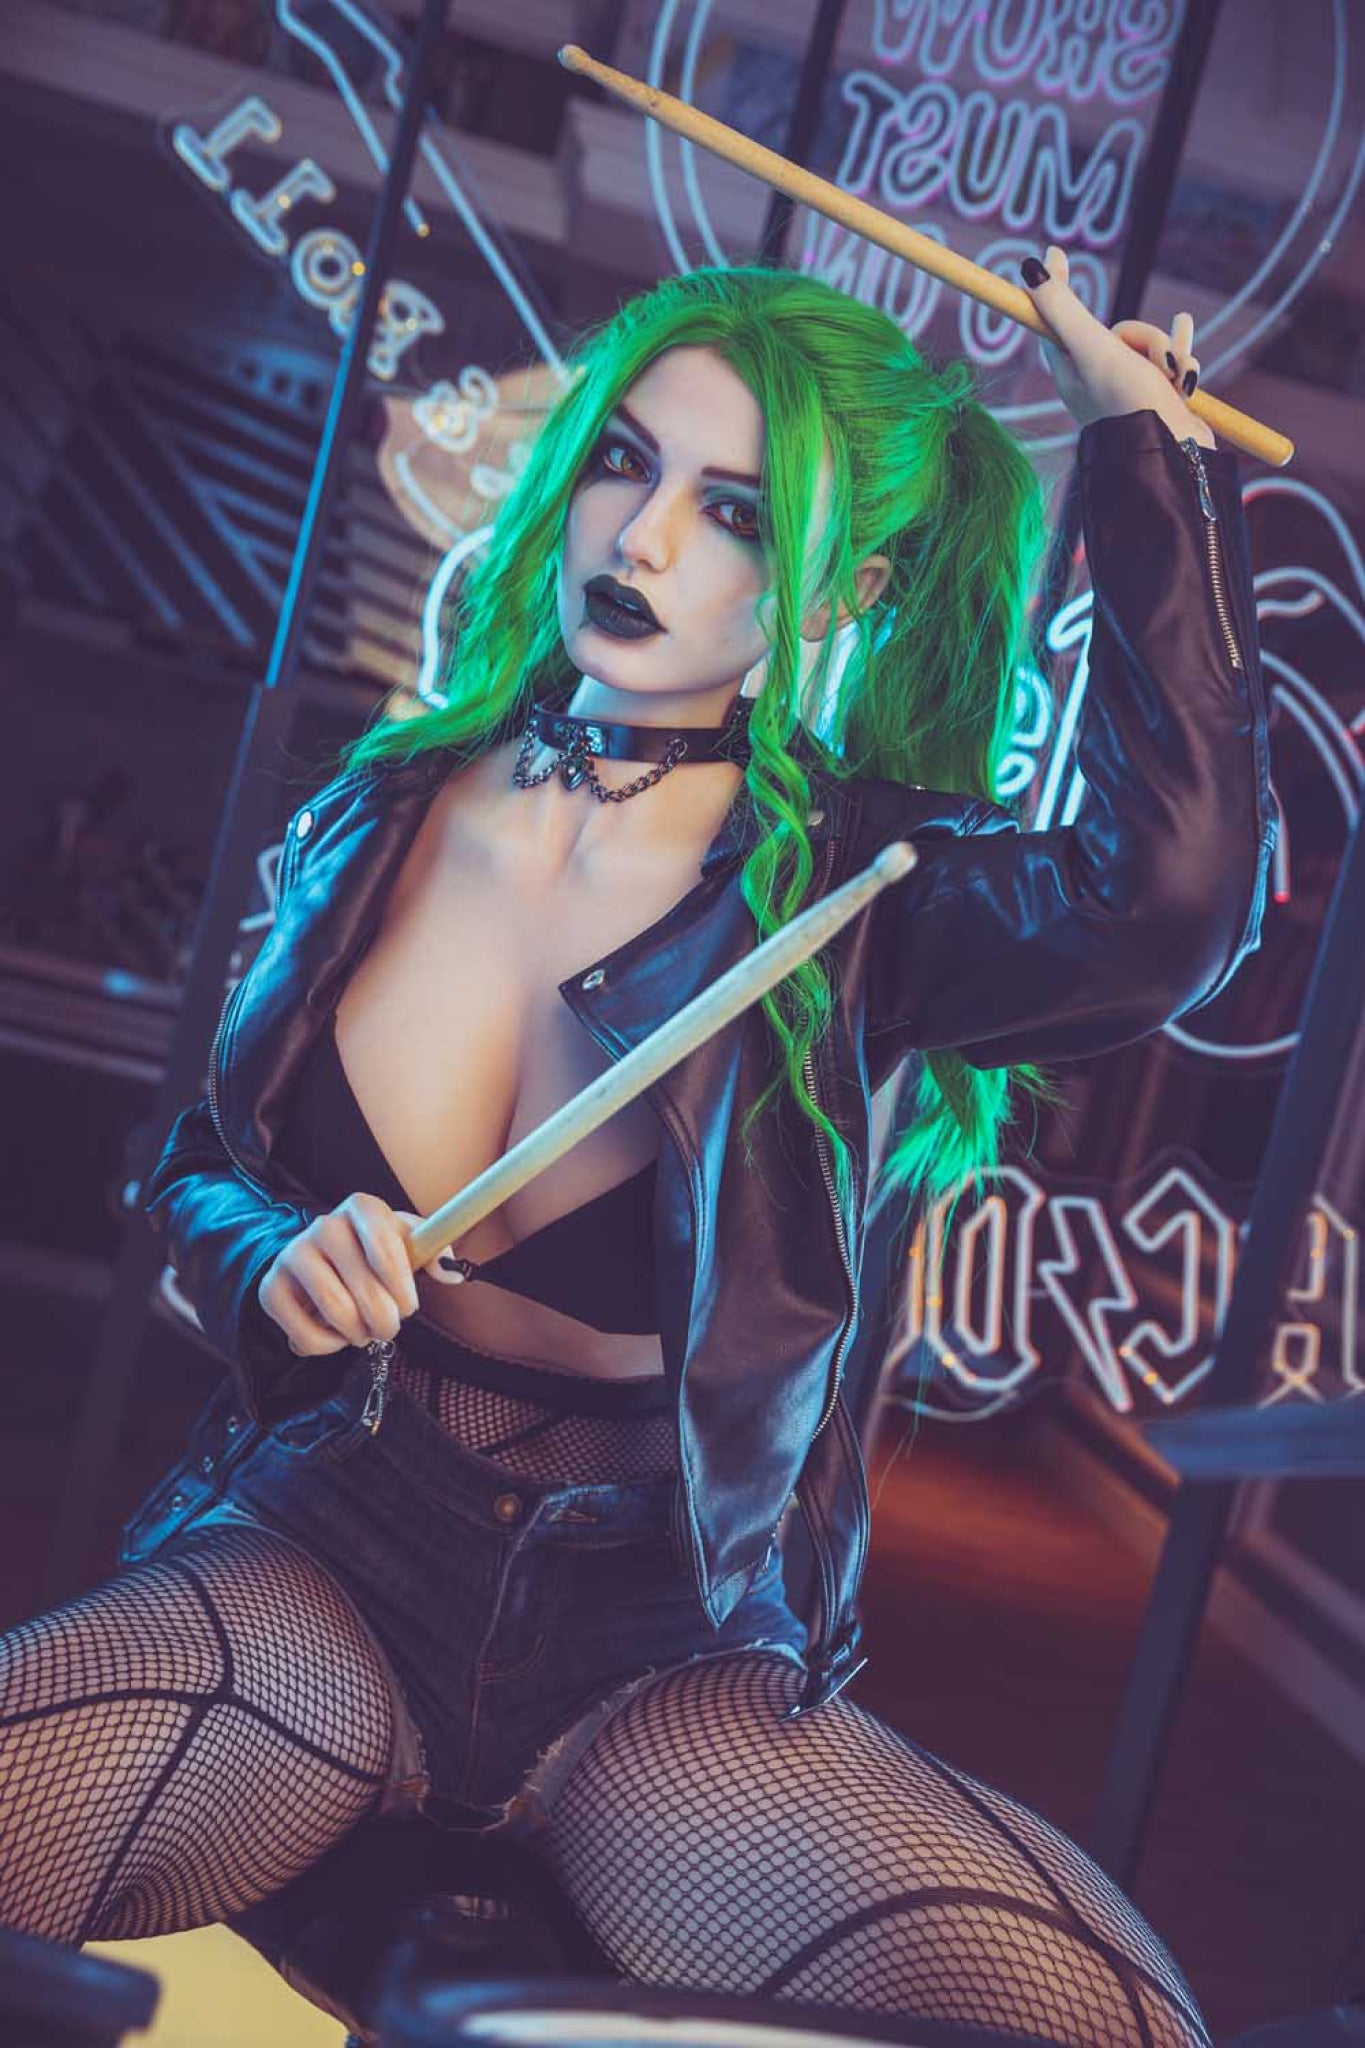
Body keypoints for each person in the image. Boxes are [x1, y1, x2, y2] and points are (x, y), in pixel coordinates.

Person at [1, 253, 1271, 2044]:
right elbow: (197, 1157)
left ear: (848, 585)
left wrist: (1146, 456)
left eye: (738, 511)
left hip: (664, 1646)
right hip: (331, 1550)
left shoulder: (862, 889)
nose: (647, 537)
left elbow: (1171, 904)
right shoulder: (379, 808)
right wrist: (269, 1258)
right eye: (624, 461)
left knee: (1108, 2020)